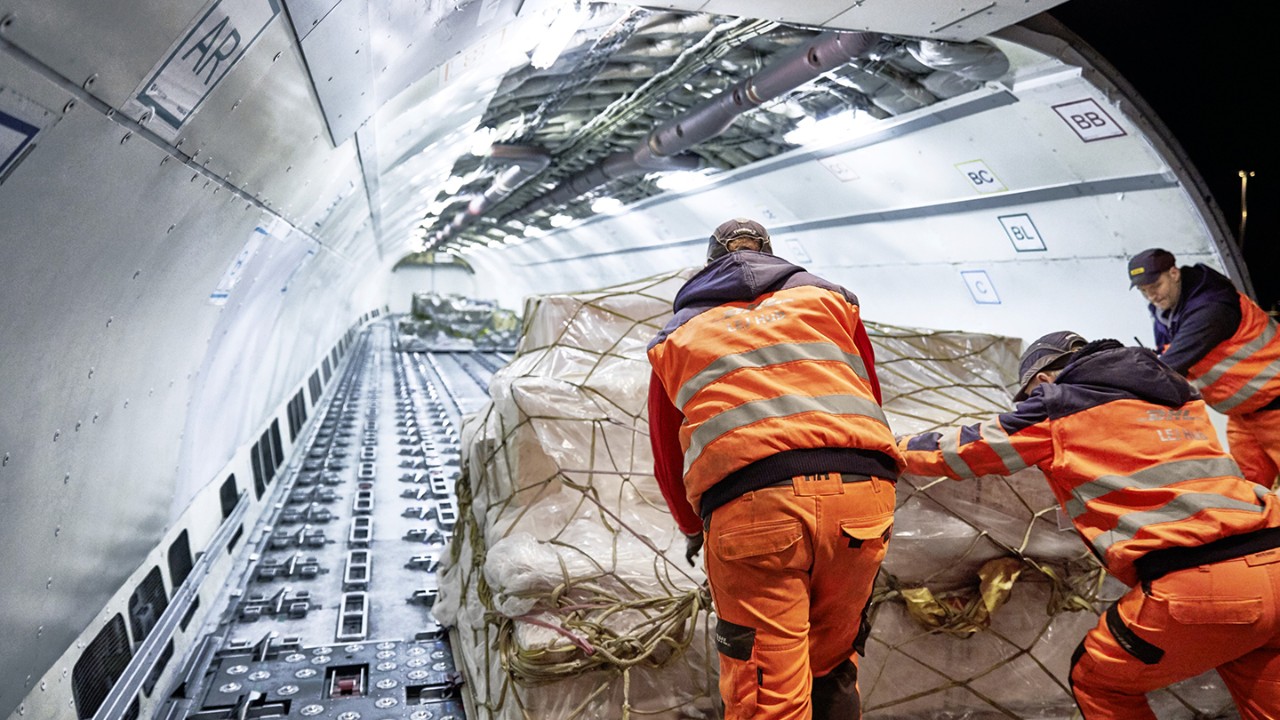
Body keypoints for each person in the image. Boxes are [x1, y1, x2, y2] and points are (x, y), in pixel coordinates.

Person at [896, 330, 1280, 719]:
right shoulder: (1176, 394)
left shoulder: (1060, 405)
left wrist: (890, 447)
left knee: (1098, 681)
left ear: (1042, 381)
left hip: (1202, 584)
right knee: (1259, 681)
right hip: (1273, 559)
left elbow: (965, 449)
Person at [647, 218, 902, 719]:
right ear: (772, 254)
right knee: (831, 665)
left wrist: (690, 526)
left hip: (756, 513)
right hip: (862, 500)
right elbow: (868, 393)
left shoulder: (676, 336)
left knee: (769, 693)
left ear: (709, 265)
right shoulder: (830, 301)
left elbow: (667, 450)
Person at [1128, 247, 1280, 487]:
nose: (1151, 296)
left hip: (1274, 407)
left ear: (1174, 273)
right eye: (1143, 291)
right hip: (1244, 414)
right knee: (1247, 491)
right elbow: (1165, 357)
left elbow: (1171, 364)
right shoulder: (1165, 311)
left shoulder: (1211, 308)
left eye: (1155, 286)